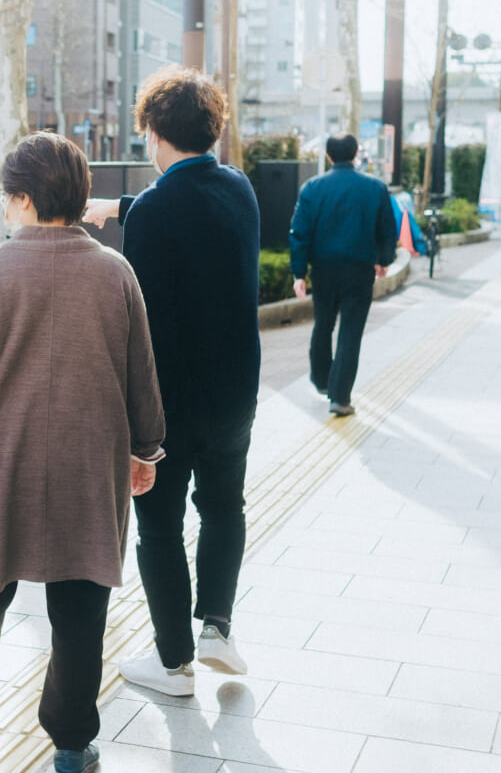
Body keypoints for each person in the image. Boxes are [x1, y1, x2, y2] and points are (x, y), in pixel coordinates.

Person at [0, 132, 166, 773]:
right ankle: (72, 745)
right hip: (90, 466)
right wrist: (145, 450)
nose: (4, 207)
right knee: (80, 609)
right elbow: (141, 376)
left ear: (25, 199)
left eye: (7, 196)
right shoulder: (115, 273)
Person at [82, 66, 261, 697]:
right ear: (213, 129)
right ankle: (216, 628)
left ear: (154, 133)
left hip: (169, 403)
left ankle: (173, 662)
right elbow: (193, 213)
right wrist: (121, 207)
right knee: (223, 507)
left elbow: (140, 319)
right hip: (234, 395)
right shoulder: (240, 190)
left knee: (159, 525)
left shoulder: (156, 209)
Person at [288, 134, 398, 417]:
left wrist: (299, 272)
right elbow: (388, 228)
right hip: (359, 270)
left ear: (328, 156)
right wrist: (384, 260)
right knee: (351, 330)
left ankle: (322, 379)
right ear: (356, 153)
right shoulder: (375, 187)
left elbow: (299, 233)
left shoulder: (312, 188)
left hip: (323, 270)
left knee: (323, 324)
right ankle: (340, 396)